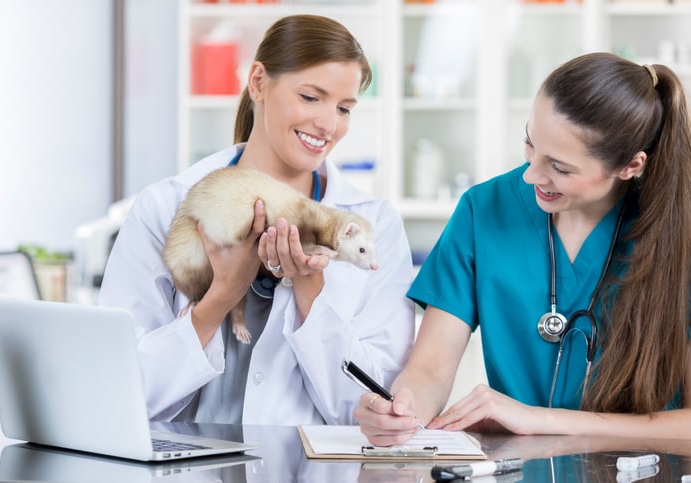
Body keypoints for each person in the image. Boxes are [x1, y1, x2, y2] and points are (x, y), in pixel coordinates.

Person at [355, 51, 691, 444]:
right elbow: (429, 369)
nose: (532, 175)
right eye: (530, 144)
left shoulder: (677, 233)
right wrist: (399, 407)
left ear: (630, 166)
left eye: (560, 167)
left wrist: (542, 420)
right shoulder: (485, 211)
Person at [99, 14, 416, 425]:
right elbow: (117, 393)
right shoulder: (166, 206)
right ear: (258, 82)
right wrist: (220, 297)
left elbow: (371, 407)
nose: (328, 124)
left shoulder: (374, 225)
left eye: (344, 108)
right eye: (310, 97)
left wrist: (310, 292)